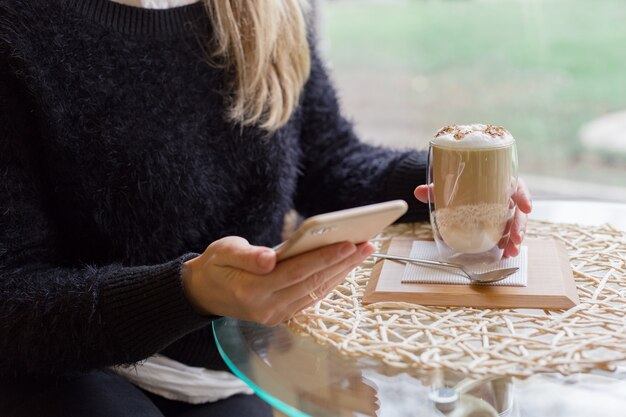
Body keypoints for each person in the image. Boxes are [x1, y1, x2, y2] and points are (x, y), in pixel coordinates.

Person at [0, 0, 532, 416]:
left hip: (231, 368)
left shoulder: (264, 12)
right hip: (69, 364)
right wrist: (188, 291)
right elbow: (14, 295)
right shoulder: (19, 28)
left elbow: (325, 163)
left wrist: (450, 179)